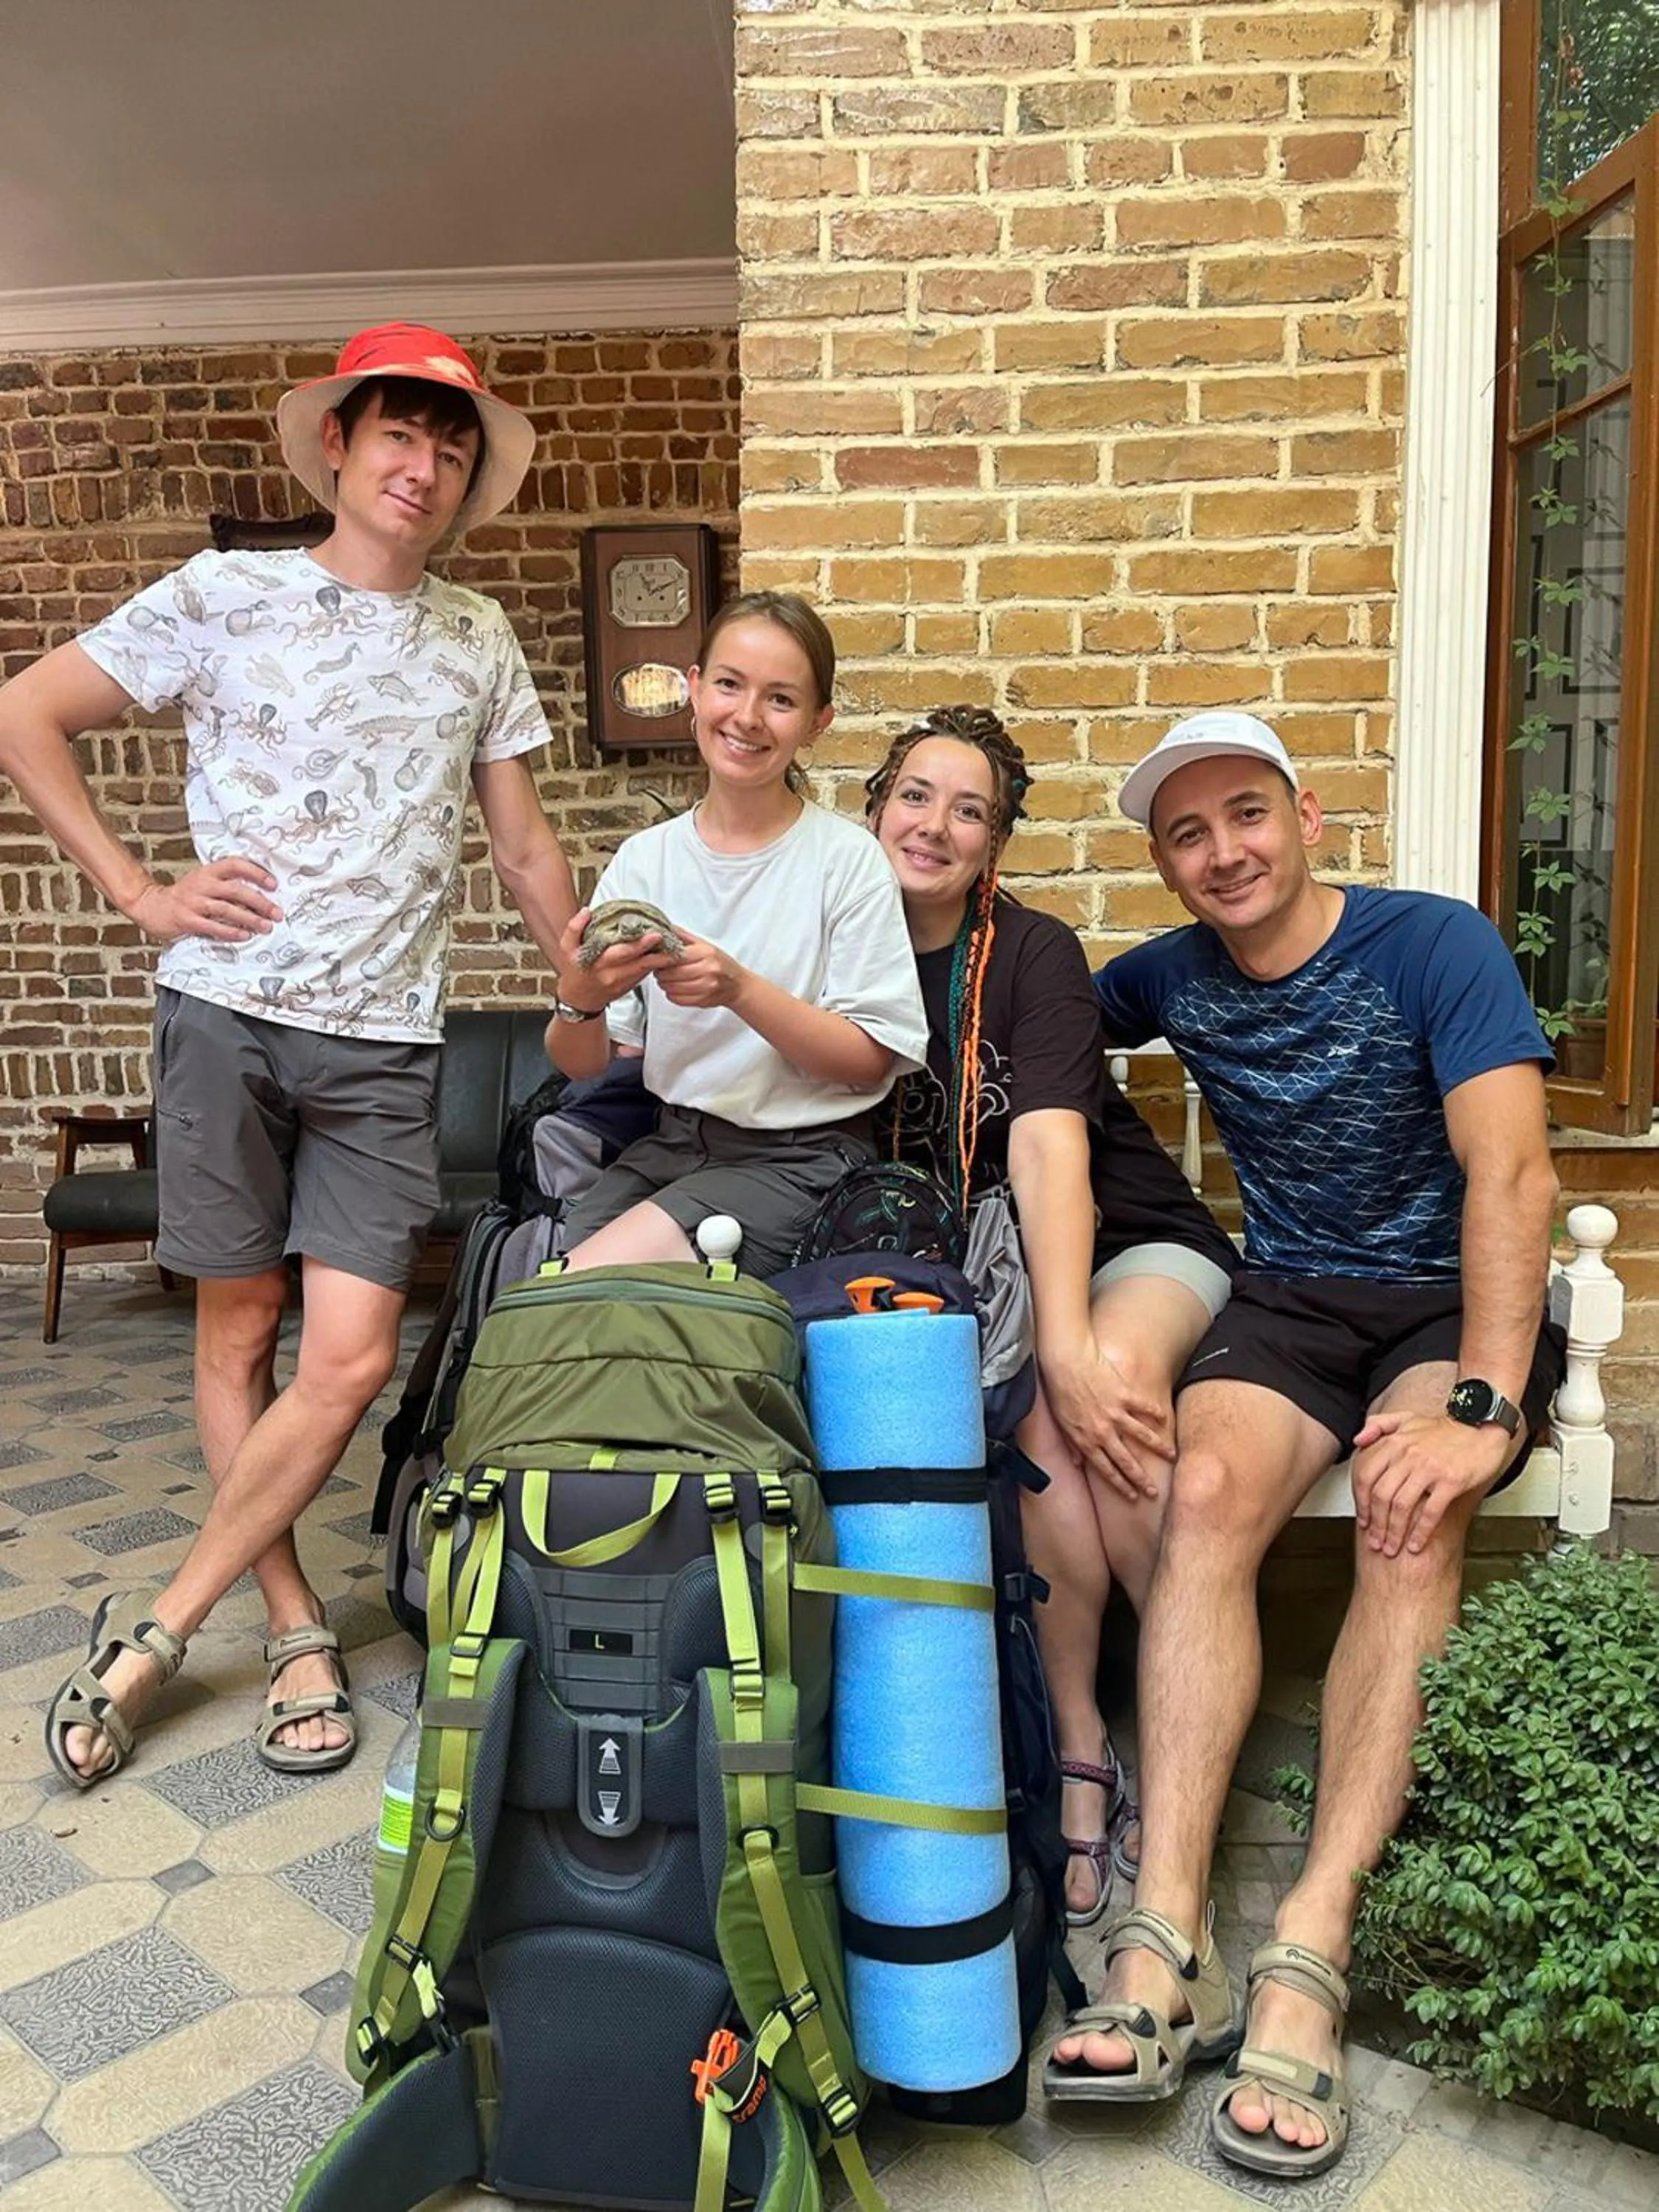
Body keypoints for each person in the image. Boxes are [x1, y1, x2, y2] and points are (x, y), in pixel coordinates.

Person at [0, 322, 580, 1788]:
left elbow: (521, 843)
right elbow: (27, 712)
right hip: (228, 1016)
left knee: (355, 1354)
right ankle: (292, 1623)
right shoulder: (225, 592)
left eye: (450, 448)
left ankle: (160, 1629)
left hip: (385, 1044)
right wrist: (139, 892)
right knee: (238, 1334)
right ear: (340, 444)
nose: (424, 466)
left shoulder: (478, 636)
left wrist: (583, 971)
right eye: (401, 434)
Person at [1043, 709, 1562, 2183]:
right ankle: (1169, 1932)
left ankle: (1312, 1941)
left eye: (1248, 814)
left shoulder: (1435, 945)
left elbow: (1514, 1175)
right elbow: (1033, 1012)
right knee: (1202, 1488)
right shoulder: (1169, 976)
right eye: (1188, 834)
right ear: (1166, 864)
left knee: (1406, 1508)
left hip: (1452, 1310)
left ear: (1309, 815)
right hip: (1292, 1297)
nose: (1224, 852)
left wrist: (1485, 1401)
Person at [864, 705, 1239, 1925]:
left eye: (969, 810)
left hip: (1127, 1245)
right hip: (982, 1275)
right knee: (1035, 1425)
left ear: (996, 844)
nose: (936, 825)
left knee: (1101, 1384)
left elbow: (1047, 1156)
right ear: (875, 806)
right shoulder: (837, 950)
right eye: (916, 795)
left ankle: (1183, 1765)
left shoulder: (1029, 953)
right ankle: (1083, 1735)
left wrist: (1069, 1339)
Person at [545, 591, 928, 1281]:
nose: (747, 717)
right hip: (672, 1149)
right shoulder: (646, 860)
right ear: (694, 689)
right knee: (550, 1286)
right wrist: (580, 998)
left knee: (575, 1288)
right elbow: (582, 1064)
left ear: (817, 722)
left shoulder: (847, 861)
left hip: (802, 1159)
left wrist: (739, 990)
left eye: (780, 699)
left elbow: (869, 1060)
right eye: (729, 684)